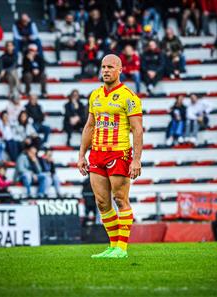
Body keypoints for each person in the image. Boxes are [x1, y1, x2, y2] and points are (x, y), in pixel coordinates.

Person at [77, 54, 143, 259]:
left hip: (119, 153)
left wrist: (136, 159)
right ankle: (113, 246)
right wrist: (82, 155)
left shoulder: (129, 96)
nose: (105, 70)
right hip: (97, 153)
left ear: (120, 70)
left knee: (120, 199)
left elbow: (138, 130)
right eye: (103, 66)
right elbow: (89, 126)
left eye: (110, 67)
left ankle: (121, 249)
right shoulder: (95, 95)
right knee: (102, 202)